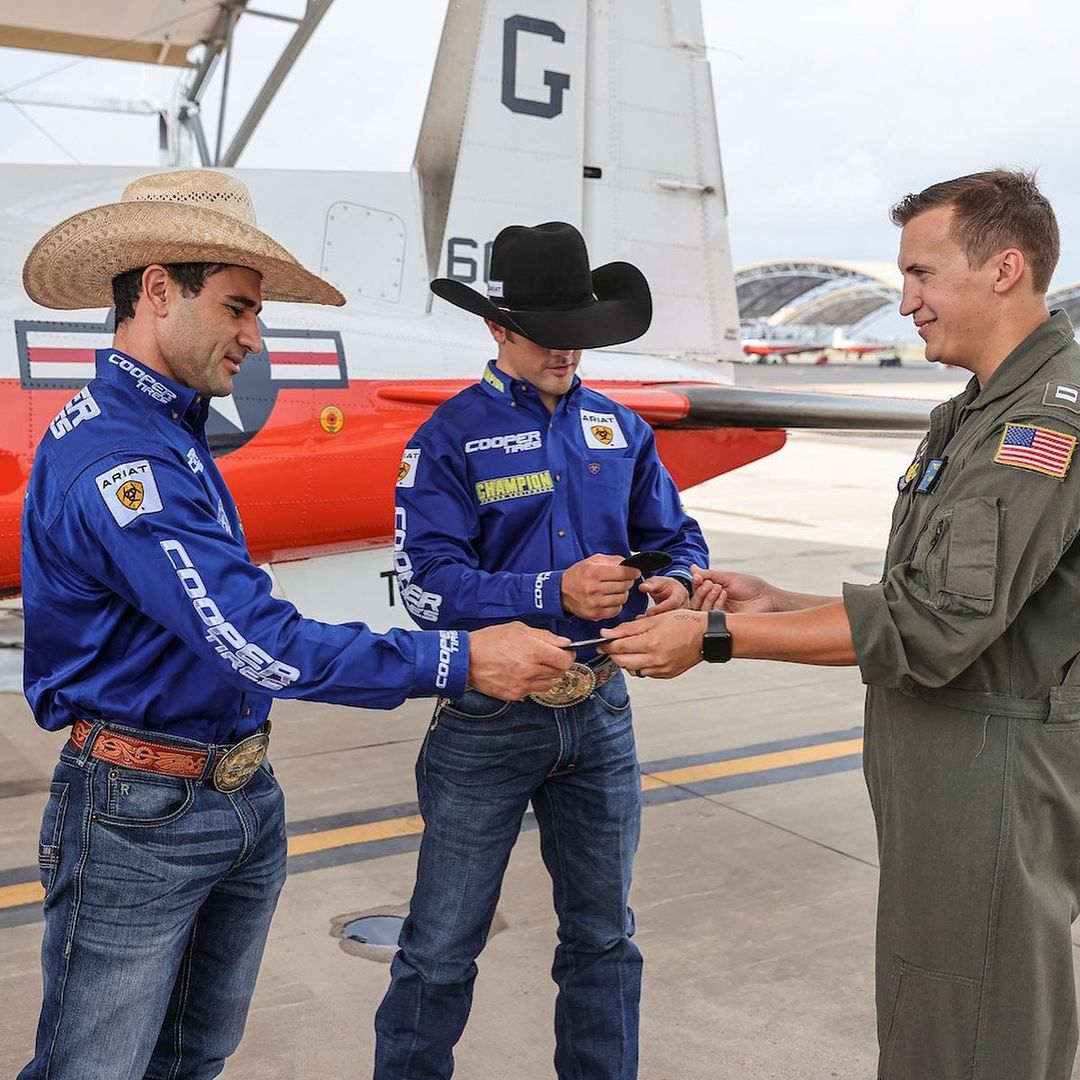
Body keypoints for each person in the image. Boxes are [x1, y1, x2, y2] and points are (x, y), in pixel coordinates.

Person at [17, 169, 573, 1080]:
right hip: (140, 816)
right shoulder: (124, 460)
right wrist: (459, 659)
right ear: (159, 291)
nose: (254, 335)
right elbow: (253, 639)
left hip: (222, 790)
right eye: (238, 308)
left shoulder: (166, 432)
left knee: (192, 1058)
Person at [601, 169, 1080, 1080]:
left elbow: (934, 627)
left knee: (977, 1030)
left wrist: (716, 640)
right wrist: (773, 603)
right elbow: (925, 592)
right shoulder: (971, 415)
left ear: (1005, 269)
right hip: (947, 774)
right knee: (936, 1009)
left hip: (994, 787)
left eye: (923, 275)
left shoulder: (1041, 428)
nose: (905, 303)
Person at [374, 221, 708, 1079]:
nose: (566, 351)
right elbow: (423, 586)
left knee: (603, 940)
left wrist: (679, 578)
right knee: (441, 949)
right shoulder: (449, 438)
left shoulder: (621, 430)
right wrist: (547, 592)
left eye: (579, 333)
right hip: (489, 719)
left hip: (600, 714)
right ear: (497, 327)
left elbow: (674, 536)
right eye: (545, 333)